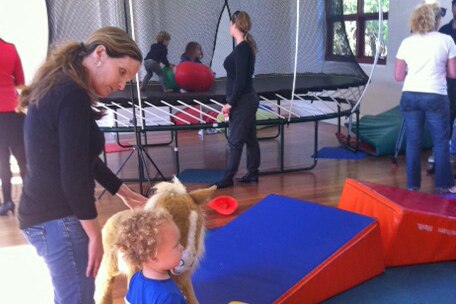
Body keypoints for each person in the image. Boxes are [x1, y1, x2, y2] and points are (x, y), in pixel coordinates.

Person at [17, 26, 148, 304]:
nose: (122, 84)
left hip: (43, 216)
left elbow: (80, 155)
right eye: (122, 72)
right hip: (57, 218)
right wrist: (94, 235)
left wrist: (124, 192)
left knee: (70, 295)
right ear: (100, 53)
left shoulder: (62, 85)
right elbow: (73, 175)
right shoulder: (71, 93)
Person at [395, 3, 456, 193]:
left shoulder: (407, 42)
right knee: (440, 141)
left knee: (413, 142)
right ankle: (444, 185)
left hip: (410, 95)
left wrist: (415, 75)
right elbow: (453, 73)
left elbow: (398, 76)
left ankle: (413, 186)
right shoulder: (446, 40)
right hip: (436, 96)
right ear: (435, 19)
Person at [216, 10, 261, 189]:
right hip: (246, 100)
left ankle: (227, 178)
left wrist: (230, 103)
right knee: (250, 139)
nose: (229, 26)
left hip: (244, 101)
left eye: (230, 23)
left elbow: (241, 81)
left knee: (235, 141)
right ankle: (252, 173)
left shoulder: (242, 49)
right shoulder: (243, 47)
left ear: (235, 24)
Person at [115, 209, 186, 304]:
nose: (182, 247)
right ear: (154, 257)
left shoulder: (135, 278)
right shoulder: (169, 296)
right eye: (176, 245)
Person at [0, 38, 27, 215]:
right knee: (22, 159)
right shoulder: (10, 48)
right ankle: (31, 198)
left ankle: (7, 201)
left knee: (2, 160)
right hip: (14, 109)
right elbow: (20, 81)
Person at [440, 1, 456, 153]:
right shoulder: (444, 31)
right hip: (447, 83)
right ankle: (444, 154)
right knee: (447, 117)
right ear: (452, 9)